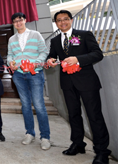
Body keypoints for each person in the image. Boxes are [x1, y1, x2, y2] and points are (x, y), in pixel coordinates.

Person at [47, 10, 111, 164]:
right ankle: (78, 144)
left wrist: (77, 59)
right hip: (67, 83)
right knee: (73, 115)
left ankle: (102, 151)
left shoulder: (84, 34)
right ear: (56, 23)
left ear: (71, 20)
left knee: (94, 115)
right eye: (59, 20)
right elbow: (52, 55)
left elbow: (97, 54)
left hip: (87, 82)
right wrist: (50, 60)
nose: (63, 22)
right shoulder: (55, 40)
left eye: (65, 19)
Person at [7, 12, 51, 150]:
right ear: (13, 24)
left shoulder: (35, 34)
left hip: (35, 73)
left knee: (39, 105)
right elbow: (10, 55)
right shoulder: (11, 39)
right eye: (15, 21)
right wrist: (11, 63)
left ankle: (45, 137)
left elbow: (44, 52)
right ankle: (30, 133)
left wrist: (36, 63)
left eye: (20, 20)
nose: (18, 23)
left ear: (25, 20)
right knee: (25, 105)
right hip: (19, 75)